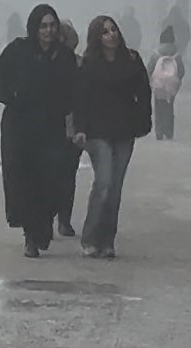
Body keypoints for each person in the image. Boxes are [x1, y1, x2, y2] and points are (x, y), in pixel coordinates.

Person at [0, 5, 76, 259]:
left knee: (51, 181)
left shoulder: (63, 57)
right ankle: (30, 236)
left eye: (52, 25)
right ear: (35, 28)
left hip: (52, 129)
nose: (48, 31)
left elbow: (74, 90)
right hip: (20, 127)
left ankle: (43, 226)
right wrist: (12, 95)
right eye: (43, 26)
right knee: (24, 182)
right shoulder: (19, 51)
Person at [73, 15, 151, 259]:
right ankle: (90, 236)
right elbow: (81, 98)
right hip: (98, 132)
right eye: (105, 32)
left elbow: (144, 93)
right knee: (104, 183)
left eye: (113, 30)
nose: (111, 35)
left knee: (115, 188)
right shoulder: (89, 64)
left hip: (124, 131)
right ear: (97, 37)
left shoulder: (131, 60)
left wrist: (143, 120)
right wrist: (80, 127)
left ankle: (107, 240)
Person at [55, 19, 84, 238]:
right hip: (57, 128)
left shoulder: (80, 65)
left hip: (71, 128)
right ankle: (61, 220)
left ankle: (62, 219)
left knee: (64, 175)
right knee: (64, 176)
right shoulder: (44, 63)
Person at [147, 26, 185, 141]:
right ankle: (169, 131)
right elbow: (181, 71)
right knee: (169, 107)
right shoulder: (177, 54)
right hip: (171, 85)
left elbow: (149, 69)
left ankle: (159, 131)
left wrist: (150, 81)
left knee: (158, 107)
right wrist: (177, 80)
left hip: (158, 85)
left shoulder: (156, 53)